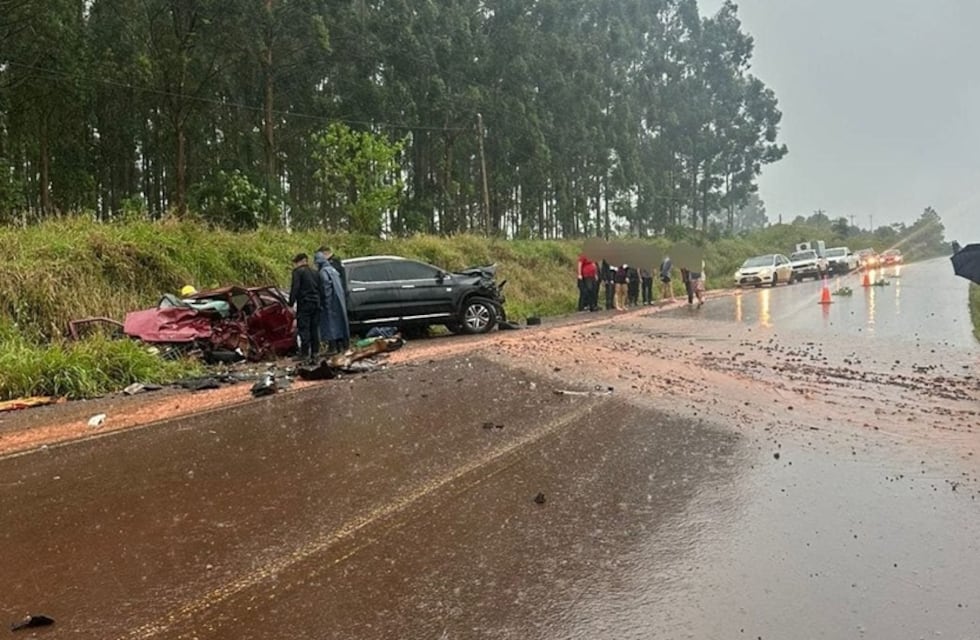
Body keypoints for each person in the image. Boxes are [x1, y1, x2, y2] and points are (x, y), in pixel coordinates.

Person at [314, 250, 351, 354]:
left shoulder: (323, 272)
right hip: (340, 301)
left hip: (330, 303)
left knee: (331, 325)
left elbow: (325, 288)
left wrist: (323, 302)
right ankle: (344, 346)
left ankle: (333, 347)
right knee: (341, 323)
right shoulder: (333, 270)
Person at [288, 253, 321, 362]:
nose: (295, 265)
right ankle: (315, 352)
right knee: (314, 329)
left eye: (296, 262)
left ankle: (305, 353)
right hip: (316, 303)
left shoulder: (298, 272)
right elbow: (320, 289)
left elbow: (295, 288)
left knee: (304, 328)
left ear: (302, 261)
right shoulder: (315, 272)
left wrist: (290, 304)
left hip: (305, 304)